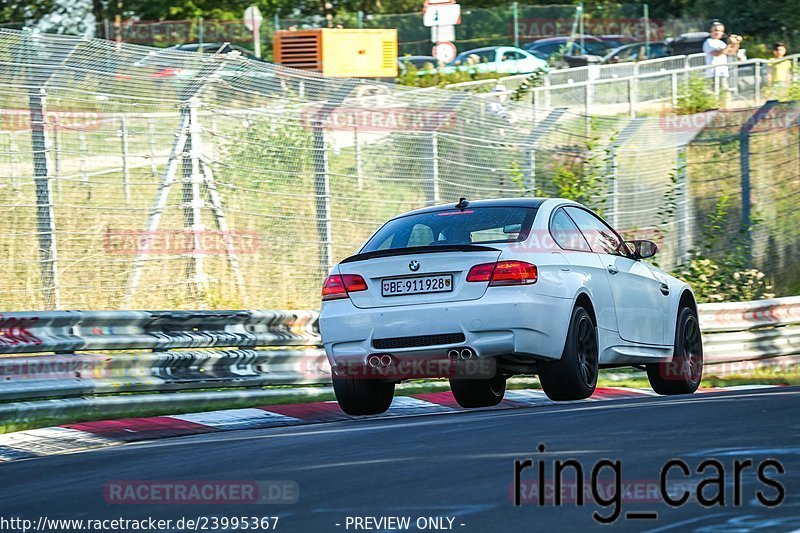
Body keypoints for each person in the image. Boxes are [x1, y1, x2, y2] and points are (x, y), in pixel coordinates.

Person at [702, 22, 742, 100]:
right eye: (716, 30)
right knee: (713, 96)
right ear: (711, 31)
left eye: (721, 31)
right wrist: (730, 44)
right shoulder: (709, 42)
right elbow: (717, 53)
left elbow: (731, 52)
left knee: (725, 95)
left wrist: (736, 43)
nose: (718, 33)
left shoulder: (721, 43)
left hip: (722, 72)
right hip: (713, 73)